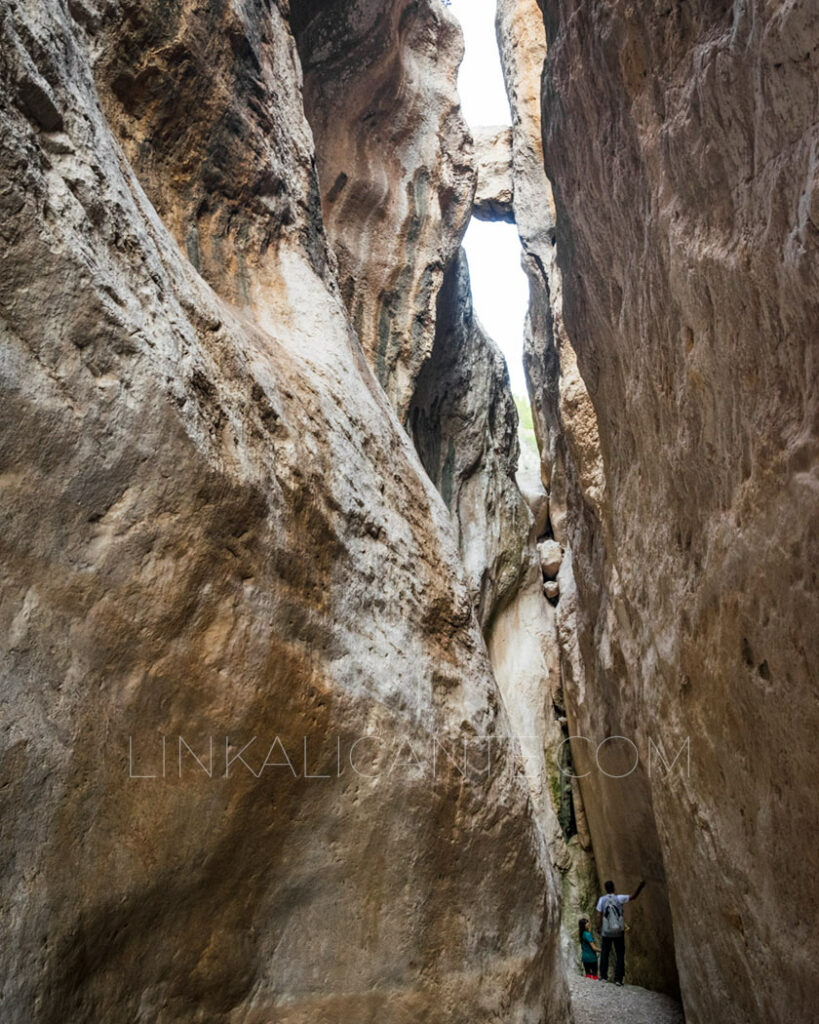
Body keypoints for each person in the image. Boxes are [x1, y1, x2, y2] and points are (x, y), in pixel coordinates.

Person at [595, 878, 645, 985]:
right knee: (620, 953)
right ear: (613, 888)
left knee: (605, 953)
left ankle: (603, 977)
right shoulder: (619, 898)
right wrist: (640, 886)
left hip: (606, 931)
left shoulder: (602, 900)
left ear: (605, 889)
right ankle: (618, 979)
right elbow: (633, 896)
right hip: (618, 931)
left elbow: (598, 915)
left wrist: (598, 927)